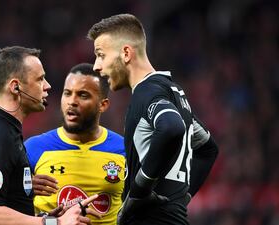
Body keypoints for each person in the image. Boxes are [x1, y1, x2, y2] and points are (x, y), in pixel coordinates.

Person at [87, 14, 219, 225]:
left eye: (101, 55)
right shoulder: (173, 92)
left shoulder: (147, 92)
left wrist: (139, 191)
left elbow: (171, 127)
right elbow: (208, 148)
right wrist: (178, 201)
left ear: (126, 53)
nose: (96, 65)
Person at [0, 46, 99, 225]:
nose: (47, 86)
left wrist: (43, 215)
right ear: (16, 87)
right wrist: (55, 223)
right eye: (40, 79)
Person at [25, 63, 125, 225]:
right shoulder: (34, 148)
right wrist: (25, 190)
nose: (72, 101)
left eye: (83, 95)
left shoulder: (124, 150)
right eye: (67, 94)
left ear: (103, 105)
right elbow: (5, 210)